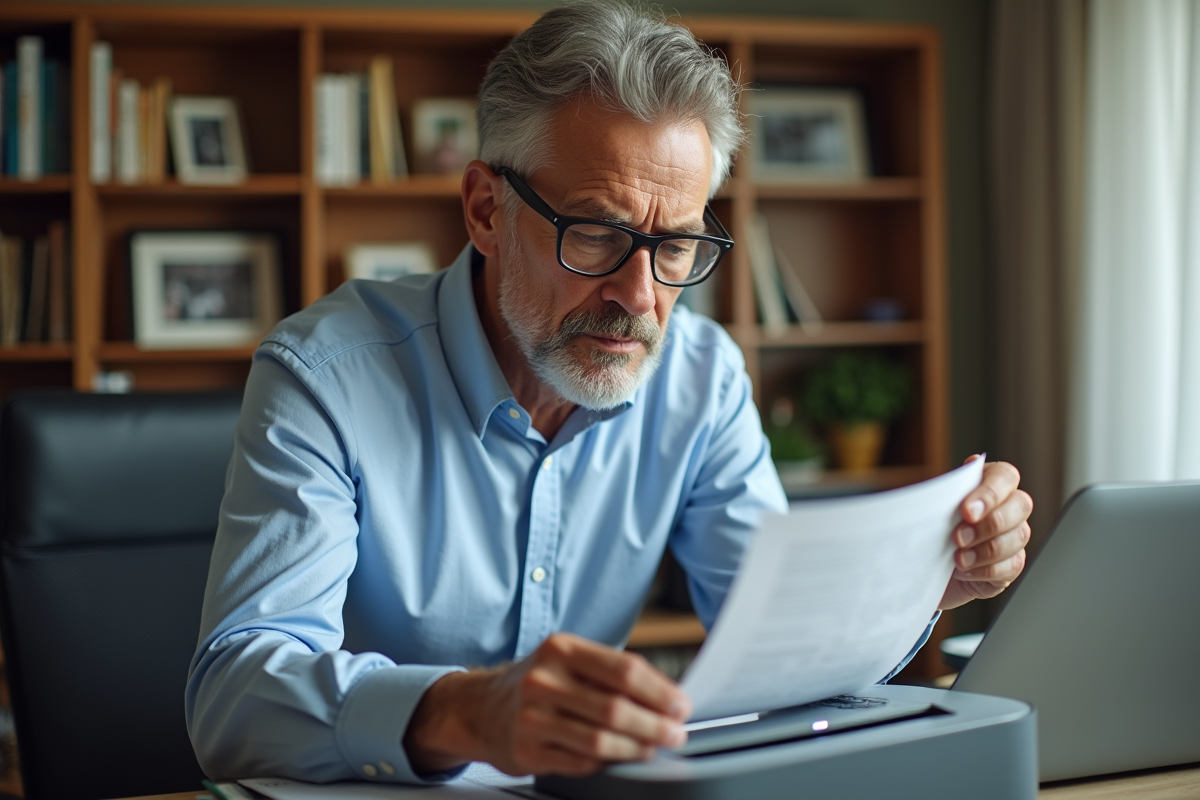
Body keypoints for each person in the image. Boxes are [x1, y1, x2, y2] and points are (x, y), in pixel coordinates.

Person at [186, 1, 1032, 786]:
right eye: (595, 231)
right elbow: (234, 695)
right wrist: (463, 712)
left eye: (675, 247)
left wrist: (926, 578)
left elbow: (783, 637)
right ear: (485, 210)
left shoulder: (702, 377)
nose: (639, 296)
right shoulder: (325, 375)